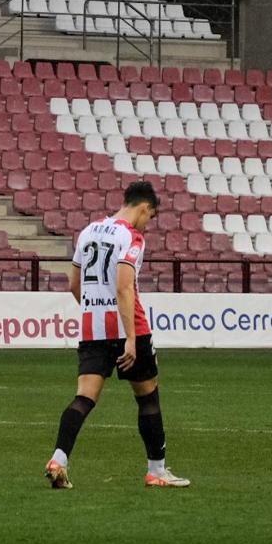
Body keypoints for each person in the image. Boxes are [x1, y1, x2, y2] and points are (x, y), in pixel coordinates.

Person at [44, 180, 189, 491]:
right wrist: (131, 338)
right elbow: (124, 286)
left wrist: (96, 310)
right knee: (148, 397)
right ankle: (156, 471)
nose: (148, 224)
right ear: (144, 208)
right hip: (128, 327)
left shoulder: (88, 231)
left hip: (92, 328)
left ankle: (59, 459)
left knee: (84, 398)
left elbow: (73, 285)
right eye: (150, 217)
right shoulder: (132, 237)